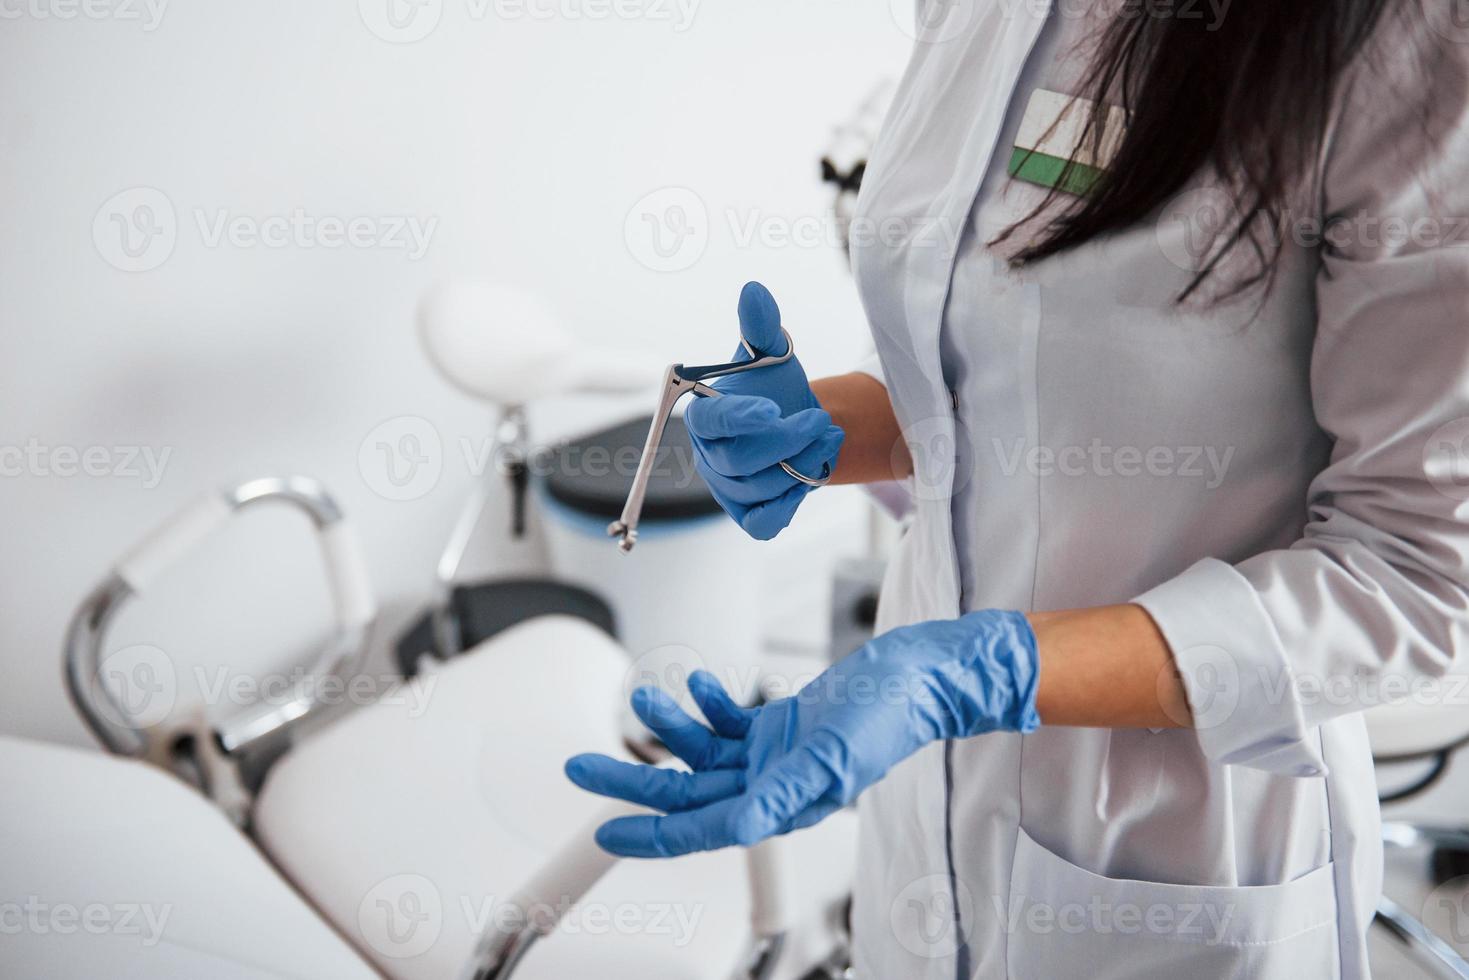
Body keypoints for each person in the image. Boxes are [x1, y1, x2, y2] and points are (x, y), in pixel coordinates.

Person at [567, 1, 1469, 975]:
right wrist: (826, 430)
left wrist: (976, 671)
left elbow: (1410, 569)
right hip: (921, 815)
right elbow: (1004, 367)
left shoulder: (1399, 37)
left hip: (1175, 848)